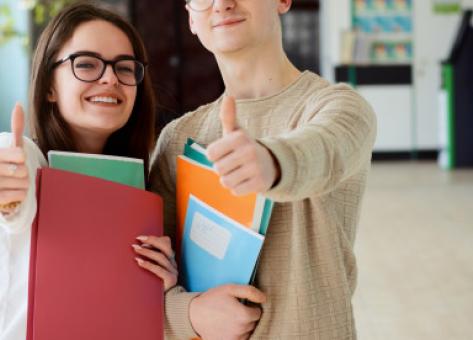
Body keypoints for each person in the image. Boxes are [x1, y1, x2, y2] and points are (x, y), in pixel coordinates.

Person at [149, 0, 377, 339]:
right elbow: (149, 285)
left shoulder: (338, 108)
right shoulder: (178, 138)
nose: (222, 4)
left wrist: (270, 162)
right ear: (191, 18)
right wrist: (190, 313)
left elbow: (325, 149)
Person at [0, 3, 177, 340]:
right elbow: (11, 207)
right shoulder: (20, 155)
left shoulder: (135, 189)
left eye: (125, 68)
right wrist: (6, 194)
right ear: (50, 86)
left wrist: (158, 285)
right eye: (87, 64)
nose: (109, 78)